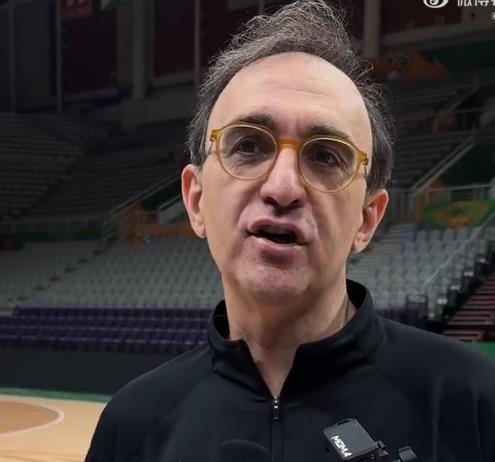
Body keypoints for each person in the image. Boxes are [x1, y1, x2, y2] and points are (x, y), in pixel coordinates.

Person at [85, 2, 495, 461]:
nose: (282, 187)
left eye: (325, 155)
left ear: (367, 218)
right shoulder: (132, 426)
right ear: (196, 200)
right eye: (248, 145)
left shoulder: (474, 404)